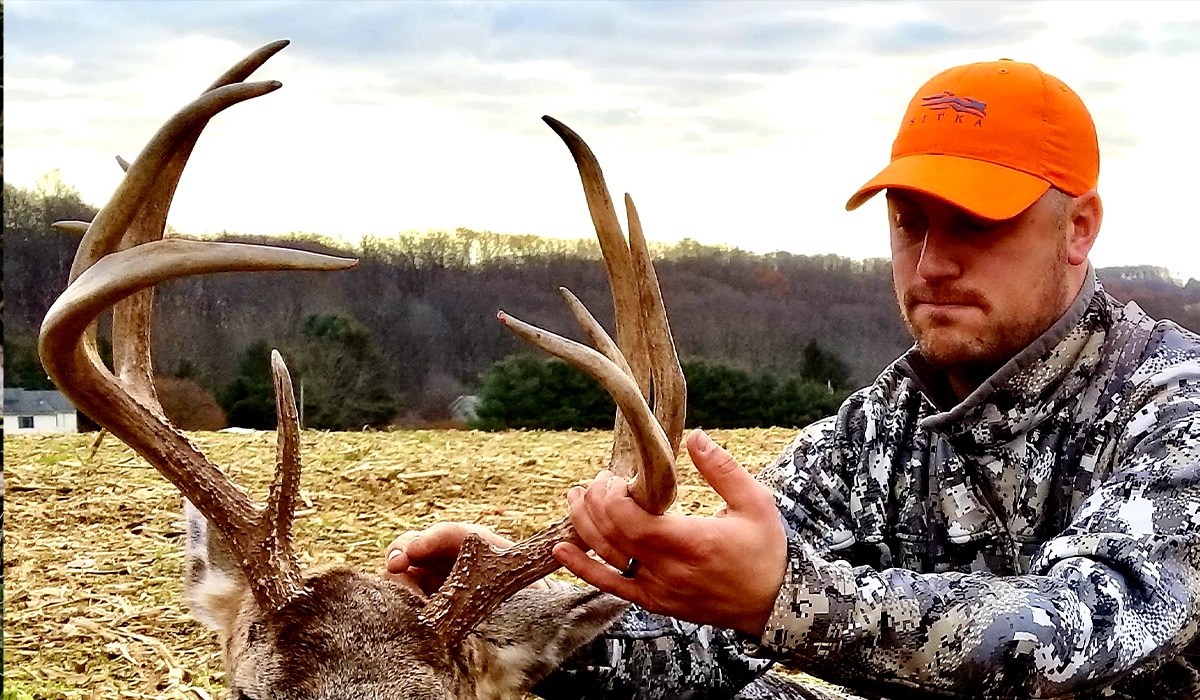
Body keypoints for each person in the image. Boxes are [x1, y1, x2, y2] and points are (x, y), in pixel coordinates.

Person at [385, 60, 1200, 699]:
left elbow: (1080, 638)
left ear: (1079, 228)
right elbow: (700, 656)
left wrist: (784, 596)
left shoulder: (1174, 400)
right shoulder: (876, 432)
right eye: (910, 222)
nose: (931, 262)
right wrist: (514, 610)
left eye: (978, 225)